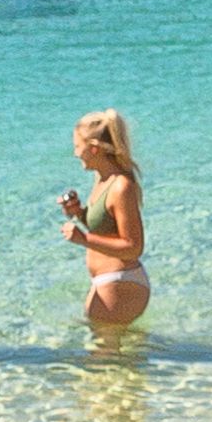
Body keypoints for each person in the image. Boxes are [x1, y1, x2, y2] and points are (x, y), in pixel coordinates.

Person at [63, 107, 149, 346]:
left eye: (77, 146)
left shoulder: (122, 186)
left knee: (103, 365)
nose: (74, 153)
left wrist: (83, 239)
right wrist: (79, 213)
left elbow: (133, 247)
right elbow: (106, 230)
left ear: (93, 148)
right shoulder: (102, 179)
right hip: (110, 282)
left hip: (121, 281)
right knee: (112, 363)